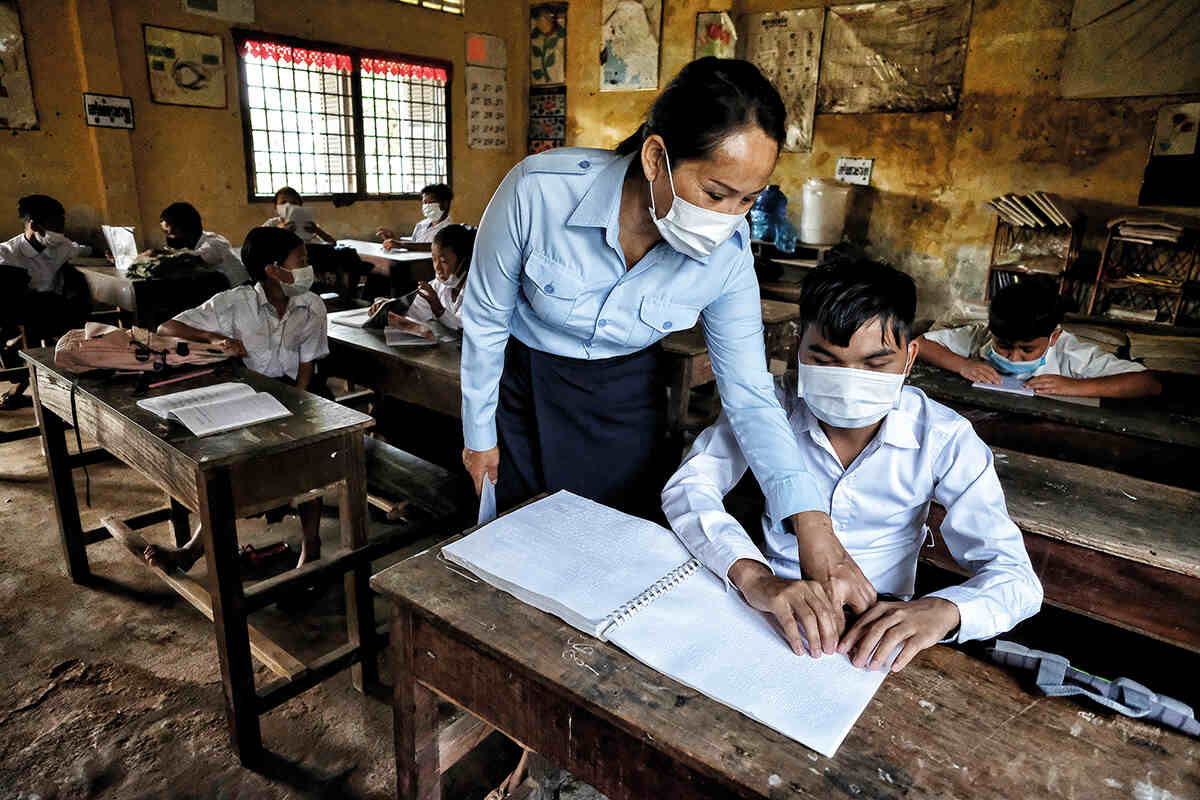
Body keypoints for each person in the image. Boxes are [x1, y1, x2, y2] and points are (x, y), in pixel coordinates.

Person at [459, 57, 867, 618]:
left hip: (625, 396)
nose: (729, 218)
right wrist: (479, 435)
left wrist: (810, 520)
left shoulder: (726, 256)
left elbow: (749, 392)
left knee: (616, 558)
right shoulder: (538, 192)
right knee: (521, 548)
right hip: (525, 386)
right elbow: (484, 319)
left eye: (749, 200)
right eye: (716, 192)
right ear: (657, 158)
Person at [661, 261, 1044, 670]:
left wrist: (944, 610)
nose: (848, 380)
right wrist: (754, 576)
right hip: (773, 615)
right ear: (798, 351)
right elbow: (689, 487)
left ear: (909, 357)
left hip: (882, 629)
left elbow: (1017, 579)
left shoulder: (942, 436)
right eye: (825, 360)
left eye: (875, 364)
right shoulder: (768, 411)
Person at [148, 227, 328, 572]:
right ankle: (194, 547)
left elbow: (308, 363)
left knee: (311, 456)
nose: (308, 267)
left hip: (299, 391)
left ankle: (312, 544)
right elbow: (166, 328)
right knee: (225, 468)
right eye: (300, 260)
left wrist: (299, 407)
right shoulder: (234, 303)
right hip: (251, 394)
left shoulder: (311, 305)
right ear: (272, 269)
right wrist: (215, 339)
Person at [919, 278, 1162, 398]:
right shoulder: (980, 335)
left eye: (1027, 349)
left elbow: (1149, 382)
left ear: (1054, 337)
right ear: (991, 331)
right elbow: (918, 344)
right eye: (1003, 346)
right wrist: (963, 364)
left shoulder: (1071, 354)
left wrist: (1076, 386)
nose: (1014, 357)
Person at [0, 194, 92, 409]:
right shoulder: (6, 255)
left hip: (51, 311)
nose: (60, 232)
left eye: (62, 226)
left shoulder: (60, 246)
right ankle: (21, 380)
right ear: (34, 225)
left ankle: (55, 381)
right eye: (55, 226)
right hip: (17, 314)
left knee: (78, 291)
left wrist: (104, 254)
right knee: (17, 338)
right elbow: (9, 301)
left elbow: (81, 250)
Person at [159, 201, 250, 288]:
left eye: (171, 232)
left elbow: (189, 259)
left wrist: (158, 255)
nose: (169, 237)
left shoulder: (213, 243)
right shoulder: (196, 244)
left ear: (186, 227)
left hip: (242, 291)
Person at [376, 183, 453, 248]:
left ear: (444, 204)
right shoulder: (422, 224)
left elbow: (433, 247)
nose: (427, 206)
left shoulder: (450, 229)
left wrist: (401, 244)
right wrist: (394, 239)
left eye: (431, 202)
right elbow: (414, 242)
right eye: (425, 203)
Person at [262, 186, 336, 245]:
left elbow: (332, 243)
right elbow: (255, 243)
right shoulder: (271, 224)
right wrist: (279, 232)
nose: (288, 205)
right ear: (276, 207)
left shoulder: (307, 226)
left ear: (300, 206)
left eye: (294, 202)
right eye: (283, 202)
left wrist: (318, 231)